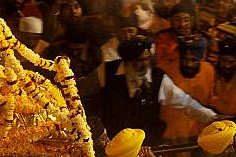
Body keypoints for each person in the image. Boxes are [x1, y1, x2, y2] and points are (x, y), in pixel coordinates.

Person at [78, 37, 219, 144]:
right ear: (127, 61)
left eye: (146, 60)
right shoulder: (106, 71)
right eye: (138, 61)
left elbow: (186, 103)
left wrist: (212, 118)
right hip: (111, 145)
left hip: (144, 147)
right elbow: (80, 92)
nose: (143, 65)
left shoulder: (158, 79)